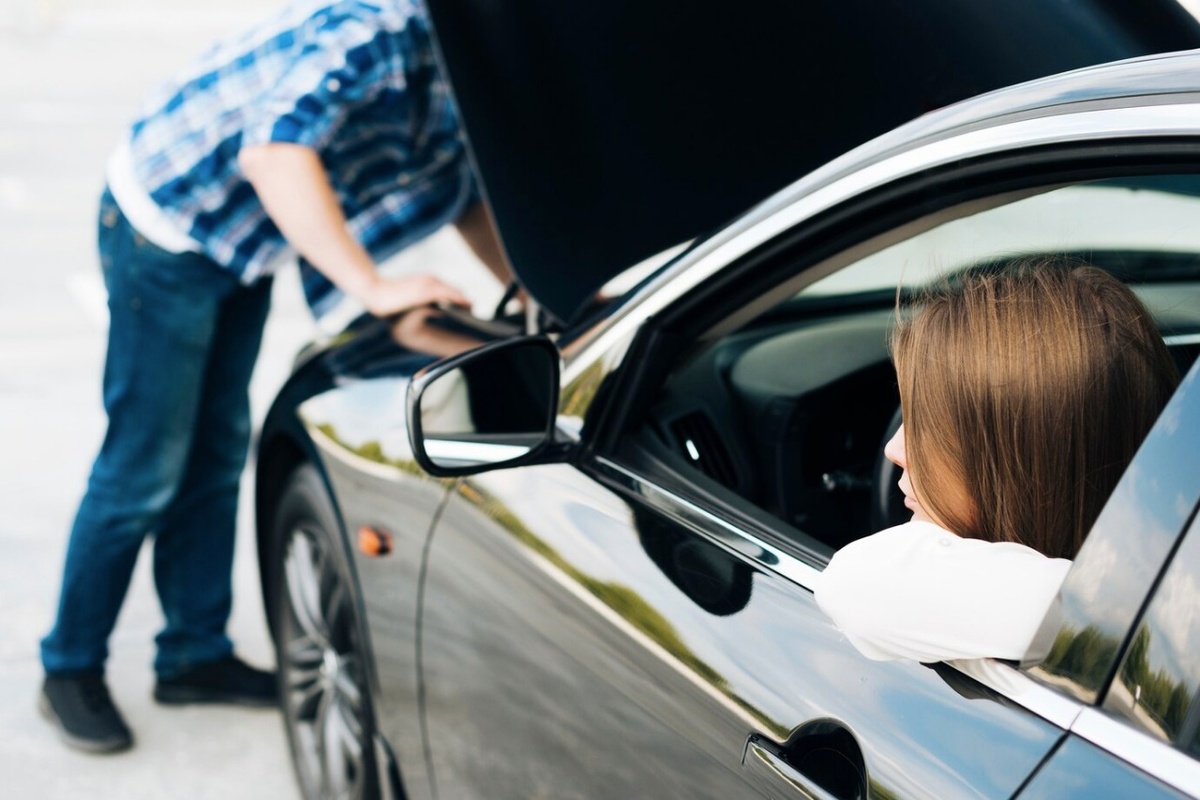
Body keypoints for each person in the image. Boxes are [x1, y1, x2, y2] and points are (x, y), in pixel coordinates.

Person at [38, 0, 511, 753]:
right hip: (170, 225)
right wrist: (373, 287)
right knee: (143, 467)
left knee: (219, 452)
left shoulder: (471, 56)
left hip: (247, 241)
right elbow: (273, 153)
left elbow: (466, 191)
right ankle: (68, 667)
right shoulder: (377, 28)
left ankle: (192, 655)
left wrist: (531, 296)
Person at [815, 259, 1179, 664]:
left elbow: (852, 581)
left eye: (928, 427)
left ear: (1025, 466)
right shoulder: (1149, 605)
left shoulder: (1097, 623)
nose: (894, 450)